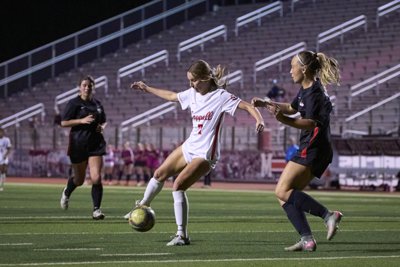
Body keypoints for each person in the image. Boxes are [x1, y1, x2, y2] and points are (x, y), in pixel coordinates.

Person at [125, 60, 265, 246]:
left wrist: (259, 120)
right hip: (190, 146)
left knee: (178, 185)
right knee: (159, 174)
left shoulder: (221, 96)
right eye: (189, 80)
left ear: (206, 78)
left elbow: (247, 106)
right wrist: (146, 88)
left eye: (194, 80)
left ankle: (181, 235)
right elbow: (172, 96)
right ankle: (143, 205)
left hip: (205, 154)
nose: (191, 84)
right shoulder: (192, 93)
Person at [252, 50, 343, 252]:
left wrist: (282, 120)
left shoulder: (315, 93)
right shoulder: (306, 88)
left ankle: (328, 215)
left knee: (281, 190)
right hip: (312, 148)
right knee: (284, 195)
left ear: (303, 68)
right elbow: (292, 108)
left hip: (313, 149)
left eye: (293, 66)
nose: (290, 70)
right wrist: (267, 103)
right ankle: (307, 239)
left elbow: (310, 123)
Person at [59, 75, 107, 220]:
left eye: (89, 85)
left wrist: (101, 127)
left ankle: (96, 210)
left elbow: (104, 121)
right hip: (78, 145)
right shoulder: (73, 103)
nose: (87, 88)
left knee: (96, 178)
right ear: (80, 87)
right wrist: (81, 120)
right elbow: (63, 122)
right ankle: (67, 192)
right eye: (84, 85)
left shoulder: (98, 104)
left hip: (95, 144)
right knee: (79, 180)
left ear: (93, 87)